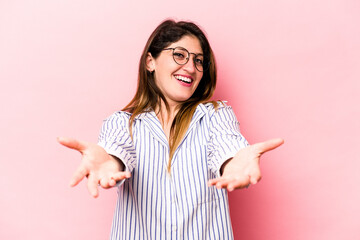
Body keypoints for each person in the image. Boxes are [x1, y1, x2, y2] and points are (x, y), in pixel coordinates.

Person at [58, 19, 284, 240]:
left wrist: (234, 162)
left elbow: (228, 144)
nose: (190, 67)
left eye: (198, 61)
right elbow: (115, 150)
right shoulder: (122, 123)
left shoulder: (215, 115)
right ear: (150, 62)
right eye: (179, 54)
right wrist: (109, 161)